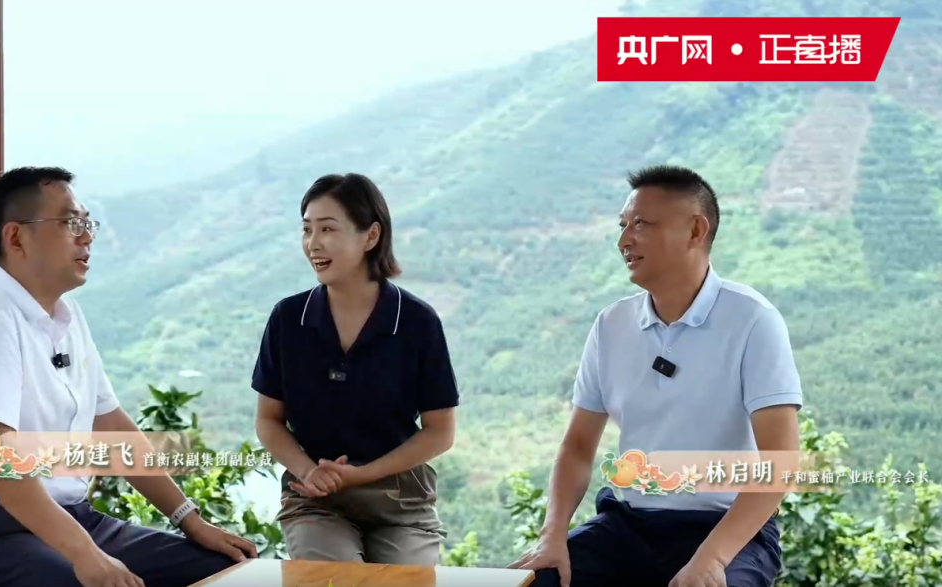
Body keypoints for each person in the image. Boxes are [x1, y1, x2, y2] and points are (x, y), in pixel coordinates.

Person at [0, 166, 257, 587]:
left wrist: (190, 519)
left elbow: (111, 426)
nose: (86, 237)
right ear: (16, 237)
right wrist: (84, 553)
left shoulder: (68, 316)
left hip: (73, 519)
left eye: (86, 223)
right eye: (70, 223)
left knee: (228, 569)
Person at [509, 165, 802, 587]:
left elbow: (781, 463)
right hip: (628, 526)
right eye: (623, 226)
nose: (624, 240)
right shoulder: (611, 324)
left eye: (642, 225)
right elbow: (577, 446)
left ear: (696, 230)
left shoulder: (753, 320)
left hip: (727, 531)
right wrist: (552, 536)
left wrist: (711, 559)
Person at [252, 173, 459, 565]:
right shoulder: (288, 319)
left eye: (328, 229)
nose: (313, 243)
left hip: (401, 504)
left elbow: (440, 431)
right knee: (334, 581)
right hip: (316, 500)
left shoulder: (416, 321)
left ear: (371, 236)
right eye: (307, 229)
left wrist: (364, 474)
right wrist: (307, 471)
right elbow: (268, 420)